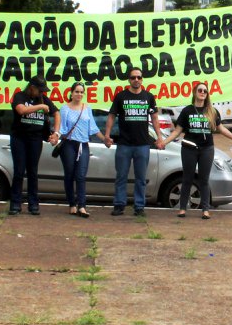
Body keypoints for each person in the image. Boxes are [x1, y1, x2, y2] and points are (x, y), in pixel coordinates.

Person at [159, 82, 232, 219]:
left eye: (205, 91)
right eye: (200, 90)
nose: (202, 93)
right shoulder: (187, 111)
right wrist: (164, 142)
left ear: (207, 95)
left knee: (204, 179)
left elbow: (221, 128)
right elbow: (177, 131)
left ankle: (205, 210)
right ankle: (182, 208)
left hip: (206, 149)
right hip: (189, 148)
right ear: (195, 92)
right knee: (187, 178)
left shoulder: (212, 111)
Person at [105, 68, 159, 216]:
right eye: (133, 77)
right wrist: (107, 135)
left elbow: (154, 118)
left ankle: (139, 206)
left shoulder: (149, 97)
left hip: (142, 144)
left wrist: (159, 137)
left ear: (142, 79)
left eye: (139, 77)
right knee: (121, 176)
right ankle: (119, 205)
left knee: (141, 178)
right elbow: (111, 116)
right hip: (124, 144)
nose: (136, 80)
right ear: (129, 79)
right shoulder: (121, 96)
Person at [9, 77, 59, 216]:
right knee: (19, 171)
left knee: (33, 171)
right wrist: (41, 107)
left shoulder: (43, 98)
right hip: (19, 138)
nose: (41, 93)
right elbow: (21, 110)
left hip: (36, 139)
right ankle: (15, 203)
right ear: (31, 87)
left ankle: (33, 204)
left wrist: (56, 133)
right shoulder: (19, 95)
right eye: (39, 89)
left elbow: (56, 113)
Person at [57, 82, 105, 218]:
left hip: (83, 145)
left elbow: (93, 128)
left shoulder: (87, 108)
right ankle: (72, 204)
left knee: (81, 176)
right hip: (69, 144)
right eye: (76, 91)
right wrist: (55, 136)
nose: (79, 94)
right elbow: (62, 128)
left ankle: (82, 206)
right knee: (69, 175)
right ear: (71, 93)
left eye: (81, 92)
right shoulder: (65, 108)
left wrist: (105, 139)